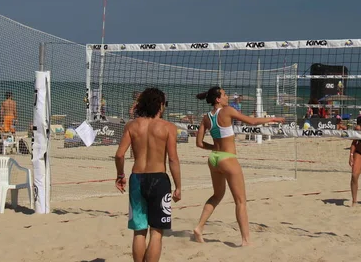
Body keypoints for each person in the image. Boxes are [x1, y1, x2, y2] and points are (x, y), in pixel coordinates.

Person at [193, 86, 285, 246]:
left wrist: (213, 148)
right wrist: (273, 119)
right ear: (218, 99)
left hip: (214, 159)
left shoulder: (206, 117)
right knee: (240, 201)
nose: (227, 96)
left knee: (217, 195)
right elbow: (253, 121)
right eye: (224, 94)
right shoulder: (227, 111)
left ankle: (199, 227)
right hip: (228, 159)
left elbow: (199, 143)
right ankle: (246, 240)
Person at [114, 87, 181, 262]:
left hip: (137, 178)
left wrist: (120, 175)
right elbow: (173, 159)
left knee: (139, 230)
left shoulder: (132, 125)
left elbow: (119, 154)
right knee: (157, 232)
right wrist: (178, 186)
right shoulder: (169, 127)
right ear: (160, 105)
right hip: (159, 179)